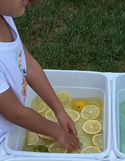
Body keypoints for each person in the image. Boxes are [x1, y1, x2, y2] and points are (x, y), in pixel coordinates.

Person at [0, 0, 79, 150]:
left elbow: (28, 66)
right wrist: (58, 133)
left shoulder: (4, 16)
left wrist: (59, 111)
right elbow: (16, 114)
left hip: (14, 125)